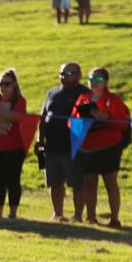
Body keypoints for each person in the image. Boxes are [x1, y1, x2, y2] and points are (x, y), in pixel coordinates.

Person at [72, 66, 129, 227]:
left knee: (111, 183)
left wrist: (106, 117)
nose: (94, 83)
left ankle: (115, 218)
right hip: (87, 147)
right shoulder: (83, 98)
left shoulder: (114, 99)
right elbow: (72, 121)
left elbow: (123, 123)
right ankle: (91, 217)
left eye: (98, 79)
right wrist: (83, 120)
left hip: (109, 147)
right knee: (89, 185)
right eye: (91, 79)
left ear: (106, 82)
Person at [39, 62, 89, 221]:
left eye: (68, 73)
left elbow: (88, 119)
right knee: (54, 182)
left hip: (73, 147)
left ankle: (78, 215)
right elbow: (43, 117)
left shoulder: (85, 94)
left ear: (79, 75)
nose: (63, 77)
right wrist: (40, 139)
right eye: (61, 73)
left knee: (77, 183)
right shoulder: (52, 92)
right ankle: (58, 213)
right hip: (52, 146)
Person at [0, 69, 28, 218]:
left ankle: (13, 213)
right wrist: (2, 125)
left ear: (14, 85)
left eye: (7, 84)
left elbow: (14, 118)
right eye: (0, 84)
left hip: (14, 147)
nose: (3, 87)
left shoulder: (19, 101)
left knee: (13, 180)